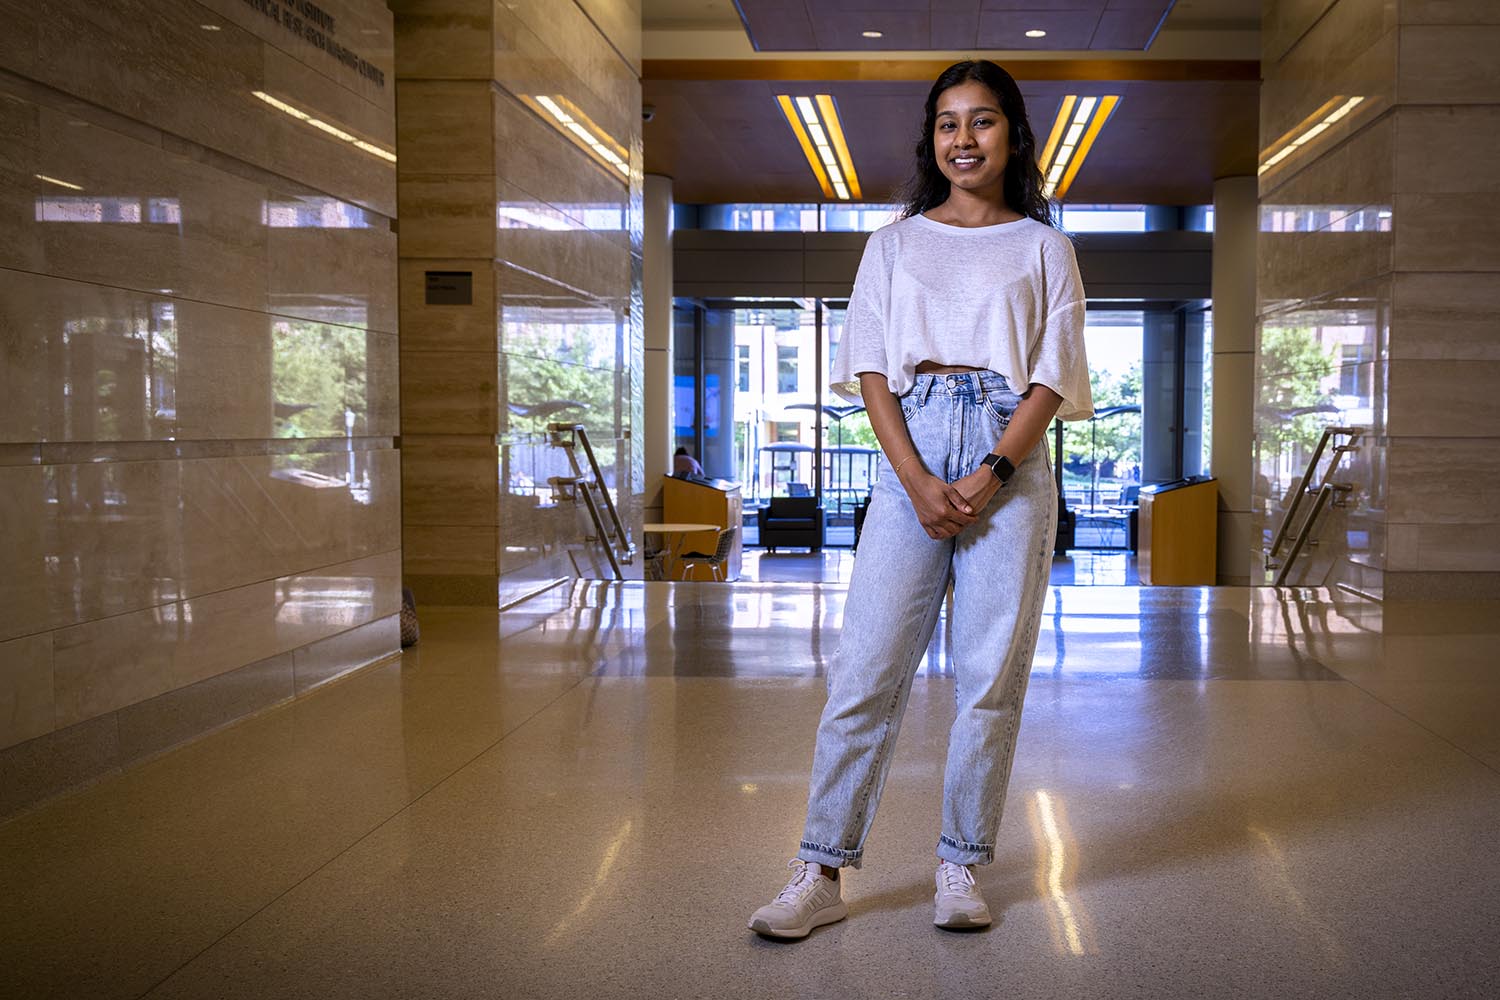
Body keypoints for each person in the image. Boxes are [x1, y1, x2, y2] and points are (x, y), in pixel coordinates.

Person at [748, 59, 1092, 939]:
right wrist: (914, 479)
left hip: (1008, 449)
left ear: (1011, 134)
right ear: (930, 138)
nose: (963, 139)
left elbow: (1054, 376)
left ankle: (961, 863)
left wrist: (994, 473)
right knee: (864, 671)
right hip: (912, 441)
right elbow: (869, 368)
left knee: (987, 679)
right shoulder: (893, 244)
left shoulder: (1045, 247)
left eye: (981, 121)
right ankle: (820, 869)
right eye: (947, 122)